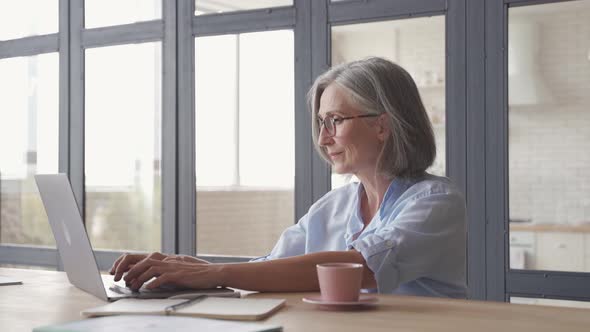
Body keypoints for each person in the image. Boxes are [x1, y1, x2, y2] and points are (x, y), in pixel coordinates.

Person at [110, 57, 467, 298]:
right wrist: (180, 267)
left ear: (382, 126)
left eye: (336, 121)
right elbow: (267, 270)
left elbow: (362, 269)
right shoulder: (335, 205)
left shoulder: (435, 201)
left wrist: (214, 273)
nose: (324, 138)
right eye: (321, 123)